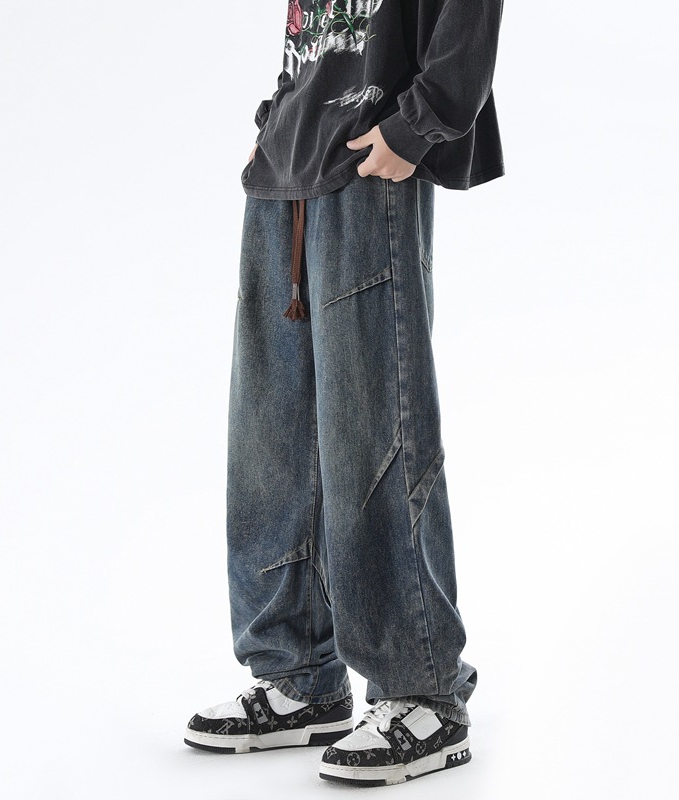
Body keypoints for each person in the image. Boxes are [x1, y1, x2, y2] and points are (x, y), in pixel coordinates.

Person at [184, 0, 505, 786]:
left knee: (374, 430)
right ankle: (298, 675)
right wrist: (276, 118)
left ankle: (421, 690)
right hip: (288, 163)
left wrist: (420, 121)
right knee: (269, 438)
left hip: (370, 155)